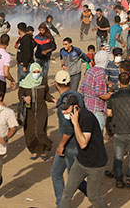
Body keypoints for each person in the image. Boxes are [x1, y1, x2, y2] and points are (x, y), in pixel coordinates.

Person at [59, 94, 108, 208]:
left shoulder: (87, 118)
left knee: (93, 196)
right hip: (81, 162)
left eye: (66, 109)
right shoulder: (73, 117)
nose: (63, 112)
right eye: (62, 109)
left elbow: (83, 143)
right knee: (66, 194)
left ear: (76, 107)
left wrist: (75, 123)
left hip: (96, 165)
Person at [50, 70, 88, 207]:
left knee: (74, 178)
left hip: (70, 146)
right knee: (56, 173)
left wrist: (61, 145)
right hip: (75, 143)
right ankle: (61, 204)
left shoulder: (64, 103)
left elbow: (68, 128)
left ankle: (95, 196)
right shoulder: (77, 95)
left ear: (55, 84)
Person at [107, 72, 130, 188]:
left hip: (118, 130)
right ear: (129, 82)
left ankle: (118, 179)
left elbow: (109, 113)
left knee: (118, 156)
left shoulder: (113, 97)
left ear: (118, 83)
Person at [18, 63, 54, 160]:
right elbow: (20, 95)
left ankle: (44, 149)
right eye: (34, 72)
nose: (36, 74)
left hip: (41, 110)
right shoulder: (25, 83)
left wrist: (53, 99)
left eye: (38, 72)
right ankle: (33, 150)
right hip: (29, 111)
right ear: (31, 72)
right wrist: (24, 98)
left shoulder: (43, 82)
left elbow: (47, 95)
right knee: (30, 131)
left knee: (40, 130)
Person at [80, 51, 111, 131]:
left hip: (87, 106)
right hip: (97, 108)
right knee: (97, 133)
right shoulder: (101, 73)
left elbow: (82, 87)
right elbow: (100, 94)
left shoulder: (90, 70)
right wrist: (112, 95)